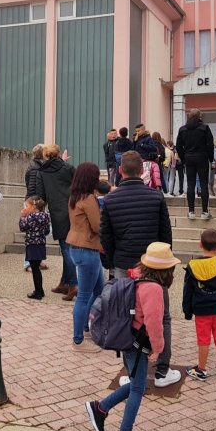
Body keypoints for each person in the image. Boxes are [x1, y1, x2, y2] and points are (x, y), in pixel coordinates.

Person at [84, 242, 180, 431]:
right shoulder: (153, 288)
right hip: (136, 343)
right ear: (165, 270)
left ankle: (100, 408)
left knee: (138, 384)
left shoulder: (136, 276)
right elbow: (154, 322)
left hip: (128, 338)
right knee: (138, 388)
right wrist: (159, 348)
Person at [101, 151, 179, 388]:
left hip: (125, 263)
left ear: (121, 171)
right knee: (161, 315)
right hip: (153, 264)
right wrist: (166, 263)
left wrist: (114, 262)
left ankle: (132, 369)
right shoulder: (155, 197)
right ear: (142, 171)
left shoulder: (111, 201)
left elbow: (107, 237)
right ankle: (162, 370)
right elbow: (166, 234)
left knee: (127, 315)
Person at [183, 229, 216, 381]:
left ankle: (201, 369)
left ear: (200, 244)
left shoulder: (193, 266)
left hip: (201, 310)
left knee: (203, 340)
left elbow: (187, 291)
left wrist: (187, 311)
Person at [67, 162, 106, 353]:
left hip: (77, 247)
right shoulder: (89, 198)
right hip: (87, 248)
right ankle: (78, 340)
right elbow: (98, 226)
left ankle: (84, 328)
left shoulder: (74, 197)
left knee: (99, 290)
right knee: (83, 296)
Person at [36, 144, 78, 301]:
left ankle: (74, 284)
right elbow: (77, 185)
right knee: (68, 248)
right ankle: (65, 283)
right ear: (58, 154)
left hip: (57, 212)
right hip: (72, 210)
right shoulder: (68, 168)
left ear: (46, 156)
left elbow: (41, 196)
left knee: (66, 249)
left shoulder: (42, 172)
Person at [176, 109, 214, 220]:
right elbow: (210, 145)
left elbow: (178, 146)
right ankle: (205, 212)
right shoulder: (205, 128)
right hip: (202, 157)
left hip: (188, 158)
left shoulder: (182, 129)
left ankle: (191, 212)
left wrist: (183, 159)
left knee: (190, 184)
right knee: (203, 184)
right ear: (199, 116)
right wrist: (210, 158)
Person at [19, 196, 50, 300]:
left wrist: (22, 216)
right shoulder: (45, 216)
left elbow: (22, 227)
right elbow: (47, 231)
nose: (25, 207)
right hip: (41, 244)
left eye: (27, 205)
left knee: (35, 269)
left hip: (32, 245)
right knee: (37, 268)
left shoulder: (30, 217)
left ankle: (38, 292)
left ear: (33, 206)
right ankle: (40, 290)